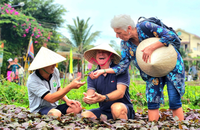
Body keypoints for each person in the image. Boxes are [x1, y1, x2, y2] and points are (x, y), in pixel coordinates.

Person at [89, 14, 185, 121]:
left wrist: (151, 47)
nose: (117, 36)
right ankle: (152, 126)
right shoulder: (125, 44)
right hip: (151, 70)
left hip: (171, 64)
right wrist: (103, 71)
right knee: (152, 99)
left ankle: (180, 126)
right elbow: (122, 66)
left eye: (119, 32)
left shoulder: (145, 27)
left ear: (129, 28)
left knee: (174, 99)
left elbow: (171, 36)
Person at [27, 47, 85, 117]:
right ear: (41, 66)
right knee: (55, 114)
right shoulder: (33, 80)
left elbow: (58, 88)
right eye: (51, 63)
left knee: (77, 107)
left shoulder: (55, 71)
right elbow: (51, 98)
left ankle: (61, 119)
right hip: (39, 110)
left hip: (54, 107)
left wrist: (67, 100)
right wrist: (70, 86)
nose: (54, 65)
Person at [81, 44, 135, 120]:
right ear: (96, 57)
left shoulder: (121, 71)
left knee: (116, 108)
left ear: (111, 56)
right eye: (98, 52)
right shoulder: (92, 75)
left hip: (122, 107)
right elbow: (90, 93)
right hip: (104, 110)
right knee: (84, 115)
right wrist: (88, 98)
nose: (101, 53)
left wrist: (103, 97)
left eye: (104, 52)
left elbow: (120, 93)